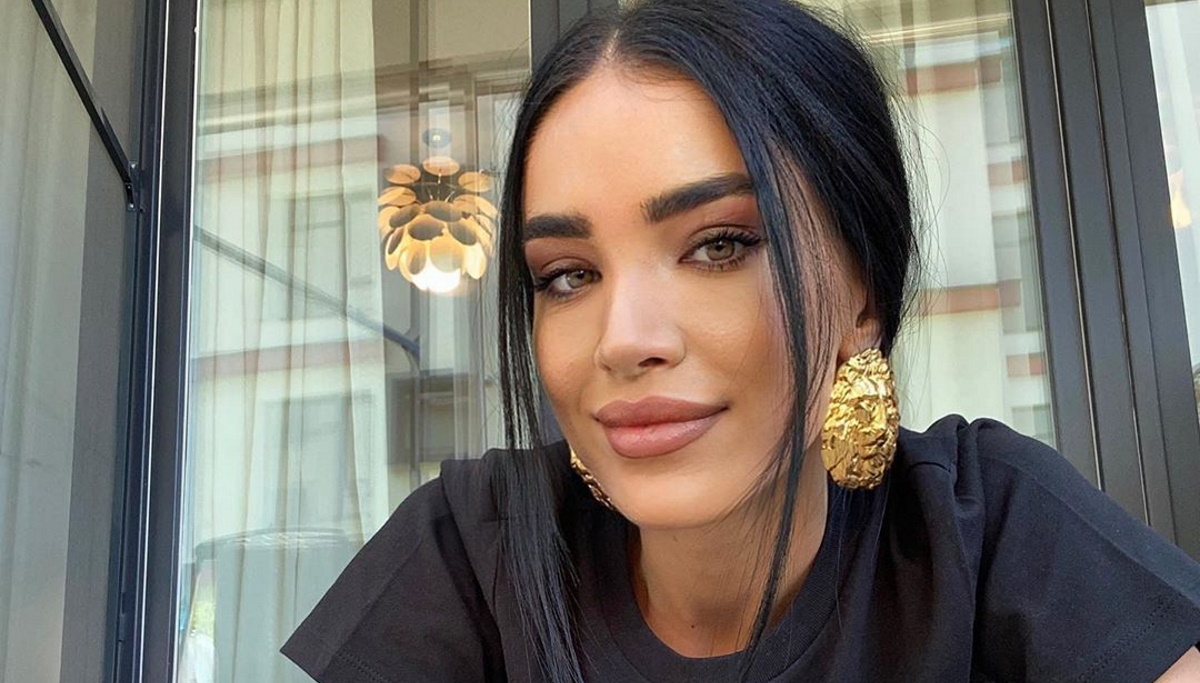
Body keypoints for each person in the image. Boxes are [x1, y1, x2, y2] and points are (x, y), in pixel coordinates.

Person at [281, 0, 1200, 680]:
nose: (623, 340)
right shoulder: (469, 554)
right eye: (567, 275)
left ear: (862, 297)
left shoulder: (984, 533)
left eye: (719, 245)